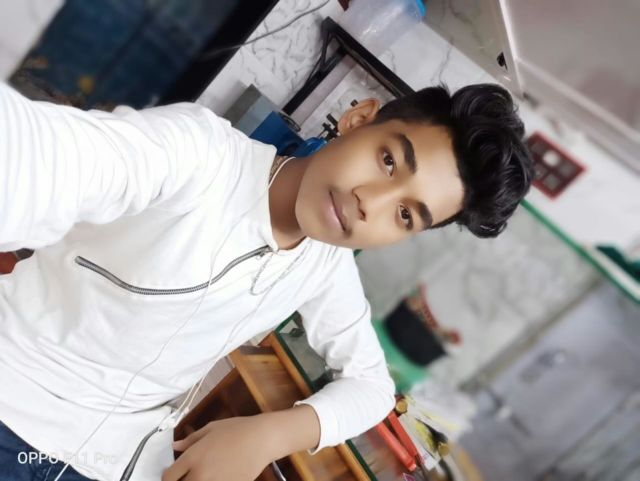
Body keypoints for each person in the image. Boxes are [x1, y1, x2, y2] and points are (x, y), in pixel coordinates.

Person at [0, 80, 533, 481]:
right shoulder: (200, 154)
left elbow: (373, 387)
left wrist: (269, 435)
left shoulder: (326, 264)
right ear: (358, 119)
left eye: (406, 215)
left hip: (110, 458)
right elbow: (36, 159)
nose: (370, 202)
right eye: (389, 161)